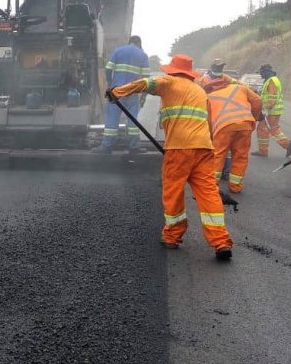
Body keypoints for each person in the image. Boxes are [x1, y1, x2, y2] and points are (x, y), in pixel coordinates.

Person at [107, 54, 233, 260]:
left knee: (173, 191)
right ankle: (221, 241)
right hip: (204, 148)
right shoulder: (199, 90)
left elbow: (145, 83)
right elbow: (207, 122)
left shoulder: (169, 82)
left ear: (173, 70)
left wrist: (117, 92)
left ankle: (172, 236)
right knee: (208, 193)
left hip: (180, 149)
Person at [205, 79, 263, 193]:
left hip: (223, 127)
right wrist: (254, 117)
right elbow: (257, 100)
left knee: (218, 155)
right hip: (245, 124)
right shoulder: (240, 87)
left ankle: (212, 186)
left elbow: (208, 120)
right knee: (240, 156)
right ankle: (235, 186)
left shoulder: (209, 97)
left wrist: (211, 136)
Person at [101, 35, 150, 152]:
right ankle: (133, 147)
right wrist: (143, 96)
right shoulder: (143, 55)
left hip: (117, 91)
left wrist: (110, 83)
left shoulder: (118, 51)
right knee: (132, 120)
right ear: (139, 43)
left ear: (129, 42)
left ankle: (107, 146)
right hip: (132, 93)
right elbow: (146, 79)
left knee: (112, 118)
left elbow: (108, 69)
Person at [252, 64, 291, 157]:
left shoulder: (271, 81)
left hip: (271, 111)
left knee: (272, 129)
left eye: (261, 73)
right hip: (272, 111)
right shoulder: (270, 80)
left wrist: (266, 109)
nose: (260, 75)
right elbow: (265, 95)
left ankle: (288, 145)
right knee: (265, 129)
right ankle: (264, 150)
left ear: (265, 72)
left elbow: (272, 98)